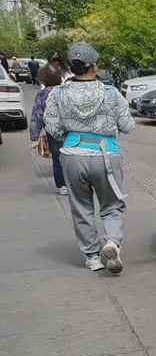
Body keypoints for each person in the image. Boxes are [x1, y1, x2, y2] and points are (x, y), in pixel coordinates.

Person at [44, 42, 135, 273]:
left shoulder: (57, 94)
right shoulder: (111, 93)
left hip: (73, 155)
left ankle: (92, 257)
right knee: (112, 205)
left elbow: (53, 130)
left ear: (71, 66)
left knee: (81, 207)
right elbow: (127, 126)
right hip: (107, 154)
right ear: (95, 65)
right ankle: (112, 242)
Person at [29, 64, 68, 195]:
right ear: (60, 77)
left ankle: (62, 185)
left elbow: (37, 116)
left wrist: (34, 138)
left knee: (57, 159)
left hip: (53, 131)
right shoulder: (67, 91)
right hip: (72, 130)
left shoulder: (42, 95)